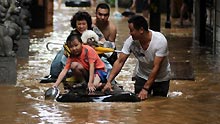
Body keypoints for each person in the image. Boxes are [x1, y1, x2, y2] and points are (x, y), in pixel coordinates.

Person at [102, 15, 171, 100]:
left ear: (141, 30)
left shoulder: (160, 41)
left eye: (132, 30)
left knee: (160, 104)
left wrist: (145, 89)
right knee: (140, 105)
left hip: (161, 78)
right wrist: (109, 82)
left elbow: (156, 67)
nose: (130, 33)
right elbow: (120, 61)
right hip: (142, 76)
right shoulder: (130, 41)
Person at [50, 11, 107, 78]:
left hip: (94, 57)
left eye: (84, 24)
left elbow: (103, 41)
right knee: (62, 54)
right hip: (78, 59)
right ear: (75, 24)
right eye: (79, 24)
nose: (81, 26)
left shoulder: (93, 29)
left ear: (88, 24)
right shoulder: (73, 34)